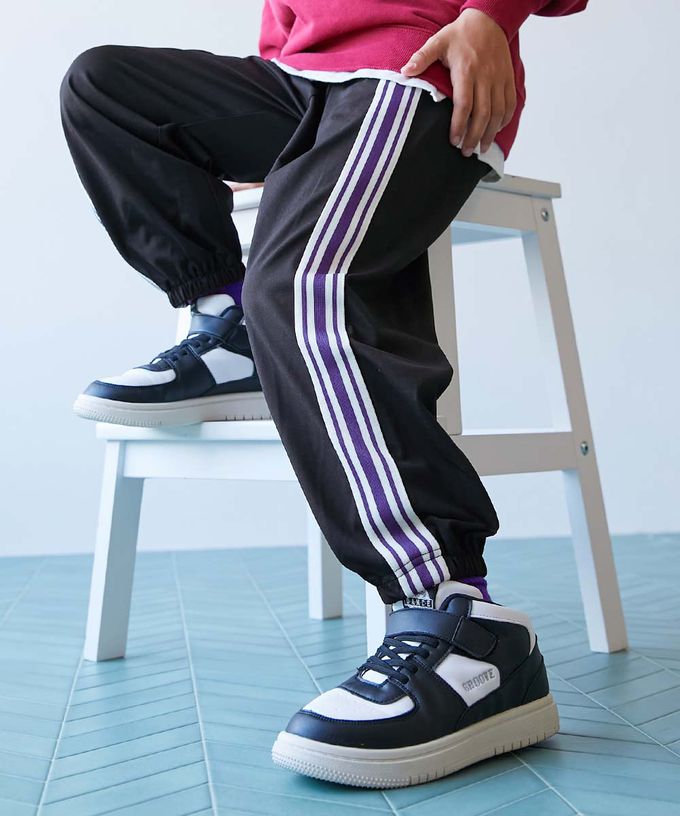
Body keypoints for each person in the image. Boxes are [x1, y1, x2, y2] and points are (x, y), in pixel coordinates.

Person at [60, 0, 588, 789]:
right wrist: (276, 84)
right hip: (299, 85)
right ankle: (232, 329)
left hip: (415, 68)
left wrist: (491, 16)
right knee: (102, 86)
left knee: (302, 283)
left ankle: (462, 621)